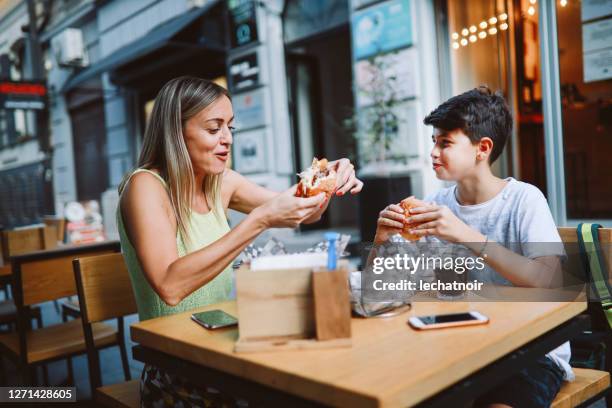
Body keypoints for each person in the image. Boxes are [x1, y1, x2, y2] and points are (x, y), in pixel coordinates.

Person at [117, 76, 363, 407]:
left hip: (222, 347)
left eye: (230, 127)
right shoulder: (146, 186)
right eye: (214, 128)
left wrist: (326, 179)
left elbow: (304, 213)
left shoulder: (221, 182)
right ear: (175, 131)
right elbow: (169, 285)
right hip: (176, 368)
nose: (227, 139)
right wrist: (259, 220)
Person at [374, 86, 570, 408]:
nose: (434, 153)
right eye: (434, 142)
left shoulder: (523, 199)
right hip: (457, 347)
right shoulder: (433, 204)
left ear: (483, 148)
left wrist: (464, 234)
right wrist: (382, 241)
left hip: (530, 352)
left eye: (445, 143)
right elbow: (386, 290)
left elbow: (549, 281)